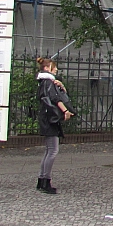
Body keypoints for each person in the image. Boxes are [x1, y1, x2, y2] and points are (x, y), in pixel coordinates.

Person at [36, 57, 74, 194]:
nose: (56, 69)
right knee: (53, 150)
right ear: (47, 68)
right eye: (54, 67)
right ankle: (46, 181)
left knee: (49, 150)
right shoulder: (48, 82)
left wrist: (61, 87)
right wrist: (65, 111)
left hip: (46, 118)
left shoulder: (43, 82)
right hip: (50, 119)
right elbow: (56, 99)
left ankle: (42, 180)